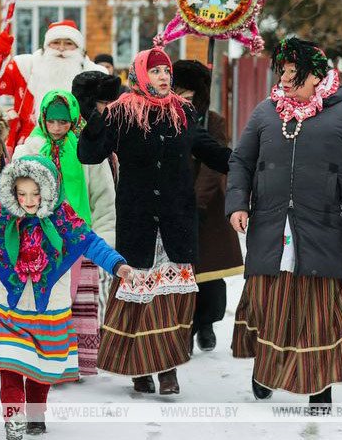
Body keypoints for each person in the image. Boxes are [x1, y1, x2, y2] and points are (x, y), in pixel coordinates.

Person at [226, 37, 342, 411]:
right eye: (283, 71)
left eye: (294, 72)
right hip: (272, 225)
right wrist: (237, 203)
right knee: (269, 302)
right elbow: (240, 162)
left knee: (319, 310)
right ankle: (265, 369)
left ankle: (320, 386)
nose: (286, 79)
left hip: (325, 226)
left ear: (317, 76)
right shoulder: (265, 113)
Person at [78, 47, 230, 395]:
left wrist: (251, 163)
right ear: (142, 75)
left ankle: (167, 369)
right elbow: (90, 153)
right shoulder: (122, 114)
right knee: (139, 297)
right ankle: (140, 368)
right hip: (139, 220)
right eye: (157, 71)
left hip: (176, 219)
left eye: (166, 72)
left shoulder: (184, 113)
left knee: (170, 300)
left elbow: (211, 151)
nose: (164, 77)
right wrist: (95, 118)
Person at [0, 155, 132, 440]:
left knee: (41, 365)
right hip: (9, 307)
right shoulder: (1, 216)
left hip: (49, 308)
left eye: (36, 193)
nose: (28, 200)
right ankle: (13, 417)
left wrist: (117, 264)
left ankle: (36, 412)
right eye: (21, 193)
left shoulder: (64, 219)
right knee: (10, 364)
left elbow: (91, 242)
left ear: (49, 190)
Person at [12, 90, 116, 376]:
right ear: (43, 118)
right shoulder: (29, 149)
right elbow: (14, 193)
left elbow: (103, 196)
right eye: (52, 122)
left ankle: (73, 361)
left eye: (64, 122)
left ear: (73, 119)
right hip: (38, 238)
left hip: (76, 238)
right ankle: (42, 357)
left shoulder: (86, 151)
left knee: (75, 303)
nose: (57, 129)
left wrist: (104, 236)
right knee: (43, 300)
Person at [172, 59, 244, 353]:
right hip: (174, 205)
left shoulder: (213, 122)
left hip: (206, 208)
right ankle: (185, 326)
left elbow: (214, 168)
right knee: (182, 272)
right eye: (179, 94)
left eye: (189, 96)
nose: (184, 101)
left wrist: (197, 202)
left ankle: (206, 322)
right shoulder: (166, 118)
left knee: (209, 273)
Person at [0, 20, 107, 150]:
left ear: (79, 48)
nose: (61, 48)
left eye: (68, 43)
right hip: (29, 147)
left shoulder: (95, 75)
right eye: (55, 43)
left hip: (78, 147)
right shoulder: (26, 66)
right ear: (46, 46)